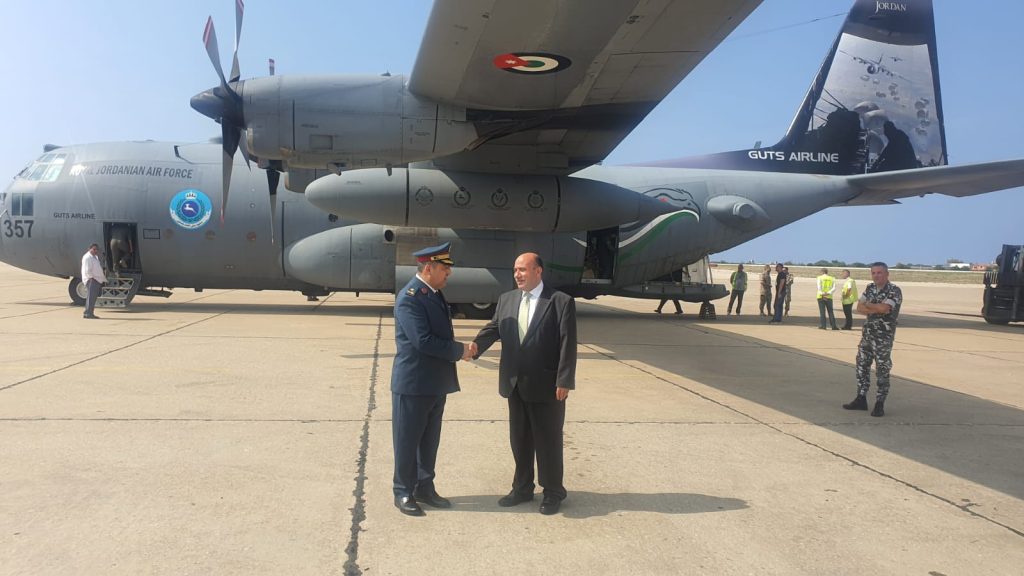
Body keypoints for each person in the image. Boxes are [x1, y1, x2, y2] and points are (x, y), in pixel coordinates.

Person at [473, 253, 577, 516]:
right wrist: (473, 348)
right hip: (514, 383)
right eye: (515, 270)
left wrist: (564, 379)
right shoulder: (507, 299)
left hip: (547, 385)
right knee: (519, 439)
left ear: (538, 271)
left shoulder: (560, 301)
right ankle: (522, 488)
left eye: (522, 269)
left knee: (548, 440)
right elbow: (494, 328)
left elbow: (568, 343)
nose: (517, 274)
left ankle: (553, 491)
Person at [391, 241, 476, 516]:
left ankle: (425, 487)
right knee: (407, 442)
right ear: (428, 269)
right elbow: (423, 341)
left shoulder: (433, 293)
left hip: (435, 382)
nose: (449, 273)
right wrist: (460, 351)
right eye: (444, 269)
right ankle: (403, 491)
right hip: (414, 384)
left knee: (429, 441)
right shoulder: (410, 298)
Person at [843, 262, 902, 417]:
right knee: (861, 366)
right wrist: (875, 307)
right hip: (868, 335)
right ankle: (861, 398)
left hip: (883, 338)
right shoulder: (870, 288)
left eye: (879, 273)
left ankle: (879, 403)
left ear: (887, 274)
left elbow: (885, 309)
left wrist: (869, 305)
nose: (876, 276)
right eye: (874, 273)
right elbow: (859, 308)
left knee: (882, 369)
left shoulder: (894, 290)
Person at [80, 243, 107, 319]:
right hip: (92, 280)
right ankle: (88, 313)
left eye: (96, 249)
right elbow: (87, 270)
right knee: (91, 297)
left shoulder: (94, 257)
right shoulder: (87, 257)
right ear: (89, 249)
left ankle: (89, 313)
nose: (95, 251)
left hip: (96, 280)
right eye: (94, 249)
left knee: (93, 298)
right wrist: (91, 278)